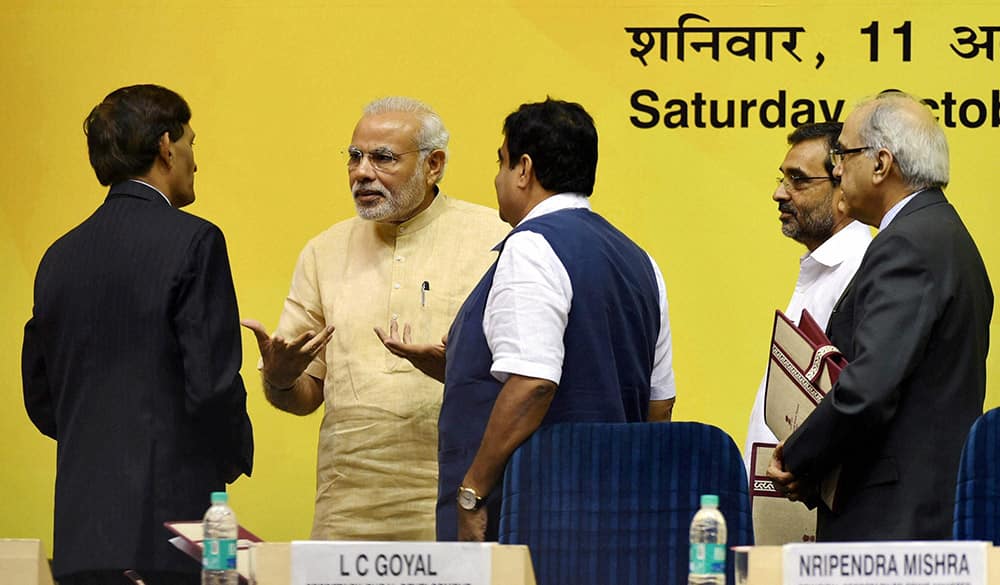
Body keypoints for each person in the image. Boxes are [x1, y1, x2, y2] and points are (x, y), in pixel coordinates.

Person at [242, 97, 509, 540]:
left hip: (453, 502)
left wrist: (459, 373)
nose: (362, 172)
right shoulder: (323, 251)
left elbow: (525, 382)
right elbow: (304, 397)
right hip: (346, 512)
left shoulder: (494, 241)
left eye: (382, 157)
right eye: (354, 157)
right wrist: (282, 379)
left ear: (434, 164)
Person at [21, 84, 254, 585]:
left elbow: (40, 397)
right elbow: (211, 384)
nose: (196, 160)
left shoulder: (57, 257)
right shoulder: (196, 240)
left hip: (81, 535)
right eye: (193, 142)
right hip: (178, 529)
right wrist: (234, 453)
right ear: (166, 145)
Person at [435, 98, 676, 542]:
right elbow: (659, 408)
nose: (497, 178)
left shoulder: (530, 247)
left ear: (523, 169)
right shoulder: (642, 262)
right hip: (614, 514)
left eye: (501, 163)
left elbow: (533, 383)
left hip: (531, 515)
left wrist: (472, 491)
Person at [767, 92, 993, 540]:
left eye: (842, 155)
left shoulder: (905, 243)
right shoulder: (943, 234)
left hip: (891, 517)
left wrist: (797, 456)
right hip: (924, 505)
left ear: (880, 164)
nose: (835, 170)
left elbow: (869, 387)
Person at [743, 122, 871, 472]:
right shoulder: (821, 268)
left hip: (812, 503)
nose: (780, 194)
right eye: (782, 179)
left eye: (798, 180)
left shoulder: (861, 273)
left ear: (843, 187)